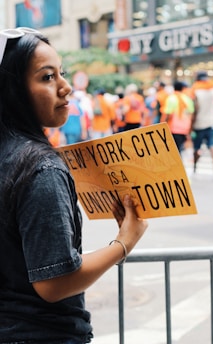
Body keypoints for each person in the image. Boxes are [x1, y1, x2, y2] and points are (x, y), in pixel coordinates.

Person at [0, 27, 148, 343]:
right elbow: (54, 282)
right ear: (12, 90)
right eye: (46, 77)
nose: (66, 87)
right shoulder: (40, 168)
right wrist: (124, 242)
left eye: (61, 74)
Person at [191, 70, 213, 181]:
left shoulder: (196, 90)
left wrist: (191, 124)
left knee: (197, 148)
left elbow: (195, 109)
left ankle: (194, 169)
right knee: (211, 146)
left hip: (199, 123)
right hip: (211, 122)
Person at [164, 81, 194, 153]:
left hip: (173, 128)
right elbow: (191, 115)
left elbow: (168, 114)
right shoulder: (188, 99)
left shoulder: (171, 98)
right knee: (179, 148)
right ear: (182, 88)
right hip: (185, 128)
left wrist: (163, 126)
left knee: (174, 150)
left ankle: (177, 163)